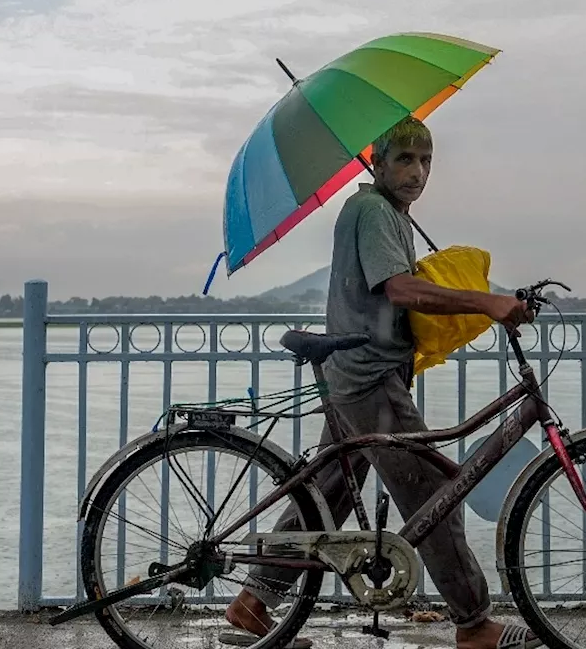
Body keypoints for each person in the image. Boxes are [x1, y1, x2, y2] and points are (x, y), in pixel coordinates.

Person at [224, 116, 540, 649]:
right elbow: (399, 290)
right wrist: (488, 303)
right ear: (377, 161)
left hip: (353, 373)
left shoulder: (385, 212)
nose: (418, 172)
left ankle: (254, 601)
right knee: (433, 495)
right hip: (369, 377)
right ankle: (475, 624)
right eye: (405, 159)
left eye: (426, 161)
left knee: (328, 495)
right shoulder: (371, 210)